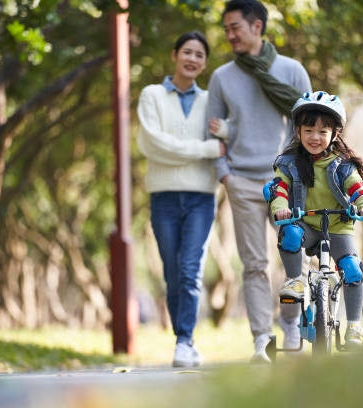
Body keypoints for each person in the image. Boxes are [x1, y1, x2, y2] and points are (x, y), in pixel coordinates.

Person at [206, 0, 312, 362]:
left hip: (285, 181)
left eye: (234, 27)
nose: (229, 35)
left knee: (293, 258)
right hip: (243, 183)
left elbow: (308, 128)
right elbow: (213, 134)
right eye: (226, 29)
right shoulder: (221, 78)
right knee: (254, 265)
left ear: (257, 27)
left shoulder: (292, 71)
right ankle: (262, 340)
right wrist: (226, 176)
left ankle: (292, 323)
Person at [137, 31, 226, 367]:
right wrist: (205, 149)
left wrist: (224, 137)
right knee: (172, 273)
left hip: (202, 198)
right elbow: (152, 144)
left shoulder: (210, 101)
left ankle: (184, 341)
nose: (192, 59)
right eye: (187, 52)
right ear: (175, 55)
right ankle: (183, 338)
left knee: (190, 270)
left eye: (199, 55)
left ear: (204, 63)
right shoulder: (152, 95)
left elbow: (229, 132)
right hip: (163, 198)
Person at [267, 90, 363, 347]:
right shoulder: (289, 163)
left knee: (351, 269)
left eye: (323, 131)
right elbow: (279, 189)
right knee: (290, 233)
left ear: (334, 134)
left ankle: (354, 326)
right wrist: (281, 207)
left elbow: (358, 188)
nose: (315, 137)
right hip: (305, 224)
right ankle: (294, 281)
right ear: (298, 132)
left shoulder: (342, 165)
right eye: (308, 130)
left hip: (337, 228)